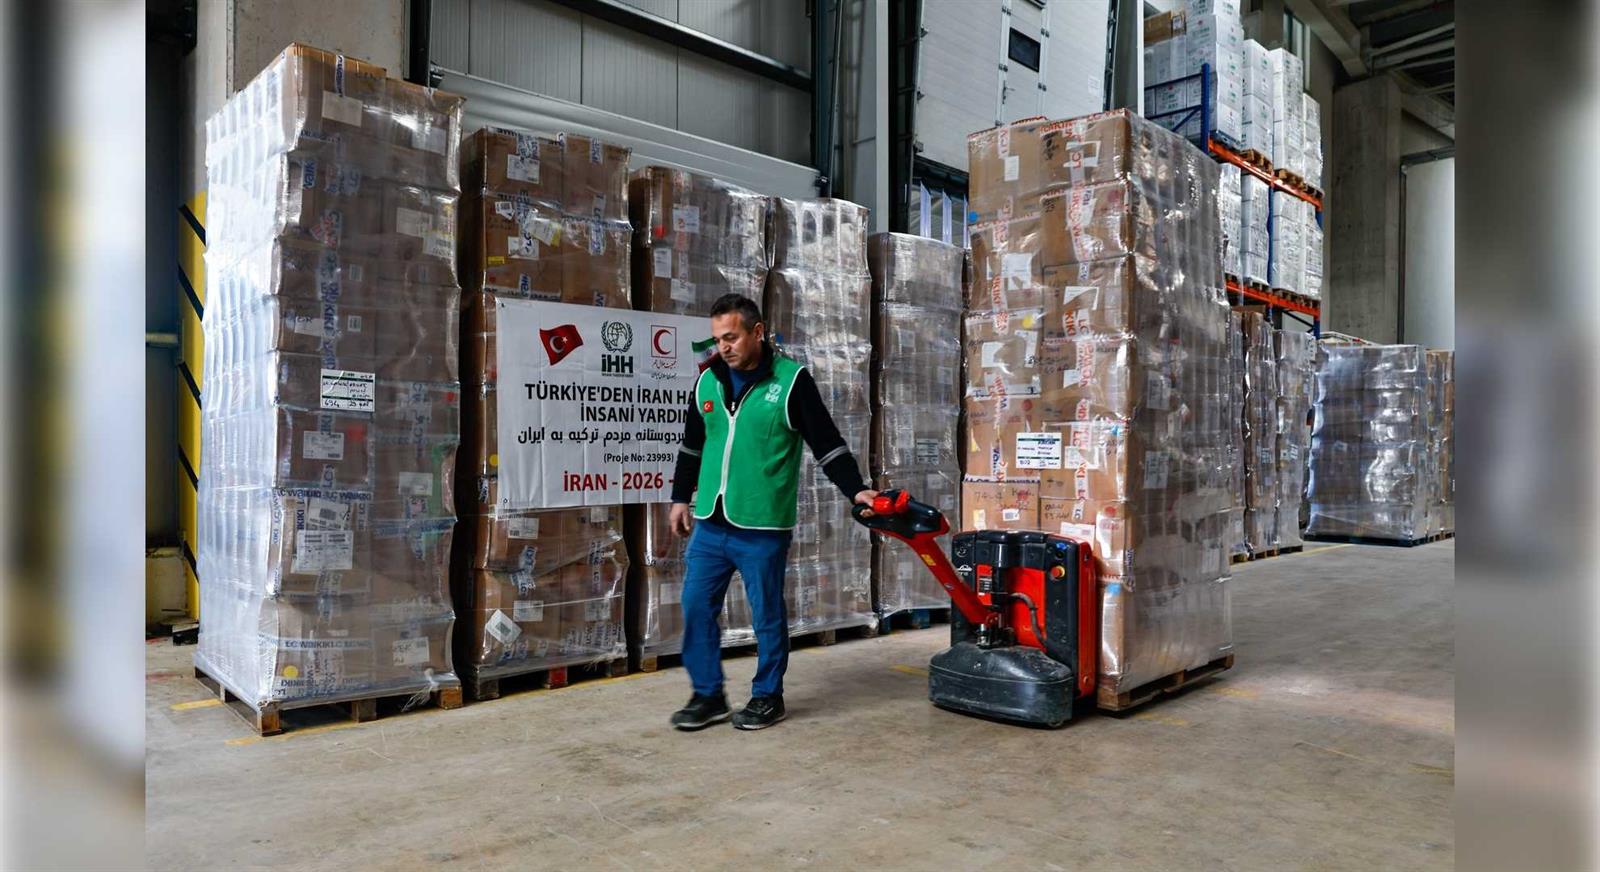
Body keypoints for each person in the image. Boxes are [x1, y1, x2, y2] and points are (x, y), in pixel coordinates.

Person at [666, 293, 877, 731]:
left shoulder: (792, 381)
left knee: (766, 615)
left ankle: (767, 696)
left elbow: (827, 444)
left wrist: (856, 490)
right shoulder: (707, 382)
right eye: (717, 339)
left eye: (731, 337)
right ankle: (708, 696)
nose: (723, 347)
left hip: (761, 525)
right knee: (695, 606)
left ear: (757, 332)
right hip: (710, 521)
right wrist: (680, 497)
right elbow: (691, 447)